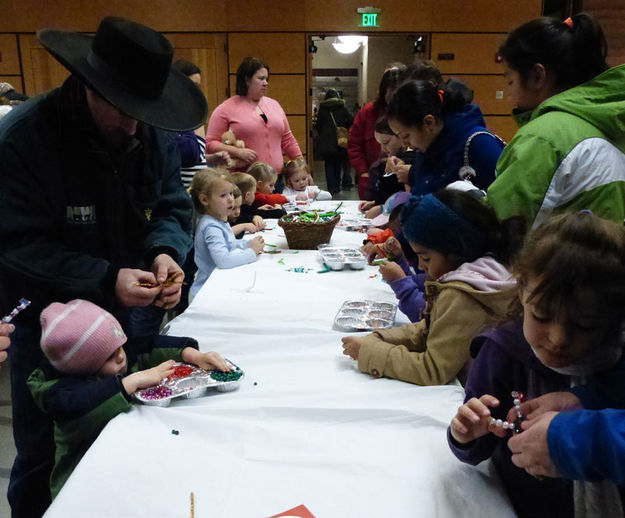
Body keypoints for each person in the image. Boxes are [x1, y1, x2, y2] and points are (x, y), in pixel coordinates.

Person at [0, 17, 207, 518]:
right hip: (47, 327)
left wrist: (165, 251)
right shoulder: (23, 139)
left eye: (144, 112)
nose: (135, 124)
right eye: (123, 109)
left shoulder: (147, 130)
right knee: (42, 452)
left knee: (129, 430)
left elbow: (173, 206)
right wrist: (101, 276)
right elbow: (15, 241)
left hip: (127, 311)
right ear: (89, 86)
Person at [448, 211, 625, 518]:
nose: (558, 339)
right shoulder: (501, 353)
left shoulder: (616, 354)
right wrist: (463, 435)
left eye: (585, 325)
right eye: (542, 316)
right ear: (521, 292)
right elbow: (478, 445)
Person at [27, 299, 230, 499]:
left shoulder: (119, 356)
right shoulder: (62, 397)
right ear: (83, 367)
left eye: (120, 346)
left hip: (124, 467)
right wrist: (130, 382)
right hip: (84, 486)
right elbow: (79, 404)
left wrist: (191, 355)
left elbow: (145, 346)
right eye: (109, 356)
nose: (122, 357)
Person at [341, 190, 519, 385]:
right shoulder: (487, 272)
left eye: (426, 258)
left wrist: (369, 352)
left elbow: (432, 369)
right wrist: (379, 338)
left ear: (457, 249)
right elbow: (432, 326)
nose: (421, 266)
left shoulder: (463, 295)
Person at [486, 14, 625, 228]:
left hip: (556, 260)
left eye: (510, 80)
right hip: (603, 258)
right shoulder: (609, 122)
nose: (508, 93)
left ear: (538, 76)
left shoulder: (544, 137)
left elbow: (499, 225)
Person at [386, 79, 504, 196]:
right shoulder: (428, 148)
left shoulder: (480, 144)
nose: (404, 144)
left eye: (406, 136)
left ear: (428, 122)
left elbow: (502, 203)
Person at [205, 56, 303, 192]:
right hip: (245, 181)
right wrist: (238, 152)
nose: (265, 83)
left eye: (267, 79)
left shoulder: (274, 104)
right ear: (247, 80)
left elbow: (287, 140)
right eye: (261, 78)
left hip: (276, 180)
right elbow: (210, 144)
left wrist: (301, 166)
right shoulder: (225, 109)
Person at [188, 168, 264, 300]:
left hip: (217, 286)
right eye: (223, 195)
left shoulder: (219, 219)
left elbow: (229, 244)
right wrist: (251, 252)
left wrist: (247, 244)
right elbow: (223, 260)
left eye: (230, 193)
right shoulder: (211, 227)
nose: (230, 199)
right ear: (205, 200)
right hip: (206, 294)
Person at [348, 64, 405, 199]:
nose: (392, 102)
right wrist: (363, 172)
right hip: (371, 177)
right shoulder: (367, 112)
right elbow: (354, 145)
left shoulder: (410, 115)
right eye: (389, 97)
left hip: (402, 177)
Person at [172, 59, 229, 189]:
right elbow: (187, 154)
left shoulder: (195, 112)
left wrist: (212, 159)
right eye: (193, 85)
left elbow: (198, 156)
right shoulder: (170, 115)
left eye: (198, 86)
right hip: (180, 189)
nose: (196, 91)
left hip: (197, 189)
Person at [359, 116, 413, 219]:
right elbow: (390, 195)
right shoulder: (386, 162)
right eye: (380, 144)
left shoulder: (410, 161)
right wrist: (375, 203)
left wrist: (383, 208)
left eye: (386, 142)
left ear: (400, 135)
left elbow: (408, 197)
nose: (383, 149)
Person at [314, 89, 353, 195]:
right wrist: (343, 128)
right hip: (339, 141)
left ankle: (332, 188)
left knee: (329, 165)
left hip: (326, 142)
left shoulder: (323, 109)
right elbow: (351, 120)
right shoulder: (342, 107)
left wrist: (324, 134)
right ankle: (337, 186)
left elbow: (318, 126)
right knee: (338, 164)